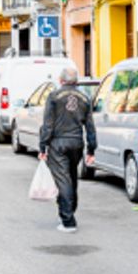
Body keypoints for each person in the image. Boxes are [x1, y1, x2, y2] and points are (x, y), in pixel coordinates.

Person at [37, 64, 96, 232]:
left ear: (61, 80)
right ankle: (67, 211)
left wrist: (43, 146)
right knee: (71, 178)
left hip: (58, 144)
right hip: (77, 143)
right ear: (76, 81)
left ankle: (68, 221)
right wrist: (91, 149)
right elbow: (90, 127)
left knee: (63, 181)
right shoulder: (85, 98)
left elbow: (47, 124)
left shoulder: (54, 96)